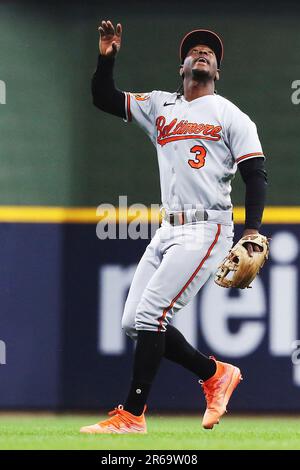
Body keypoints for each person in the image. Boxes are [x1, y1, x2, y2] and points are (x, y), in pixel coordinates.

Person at [80, 21, 267, 434]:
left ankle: (132, 415)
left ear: (217, 71)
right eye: (194, 51)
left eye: (210, 53)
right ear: (182, 67)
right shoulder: (161, 105)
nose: (202, 54)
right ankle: (215, 374)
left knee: (150, 315)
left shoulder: (230, 115)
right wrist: (106, 58)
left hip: (208, 228)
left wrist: (252, 230)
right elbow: (103, 97)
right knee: (133, 323)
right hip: (167, 229)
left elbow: (256, 174)